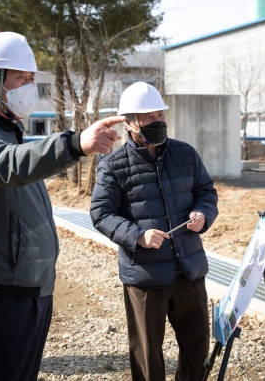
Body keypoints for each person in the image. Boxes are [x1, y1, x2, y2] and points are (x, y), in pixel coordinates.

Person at [0, 31, 125, 381]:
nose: (29, 86)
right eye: (20, 78)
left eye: (31, 78)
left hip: (29, 291)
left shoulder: (10, 131)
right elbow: (10, 164)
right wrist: (74, 144)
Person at [90, 82, 219, 381]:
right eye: (148, 117)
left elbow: (206, 191)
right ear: (130, 122)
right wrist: (137, 235)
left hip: (189, 268)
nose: (156, 121)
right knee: (148, 355)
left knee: (197, 351)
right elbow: (101, 213)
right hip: (146, 278)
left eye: (159, 114)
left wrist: (204, 214)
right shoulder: (113, 165)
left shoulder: (185, 154)